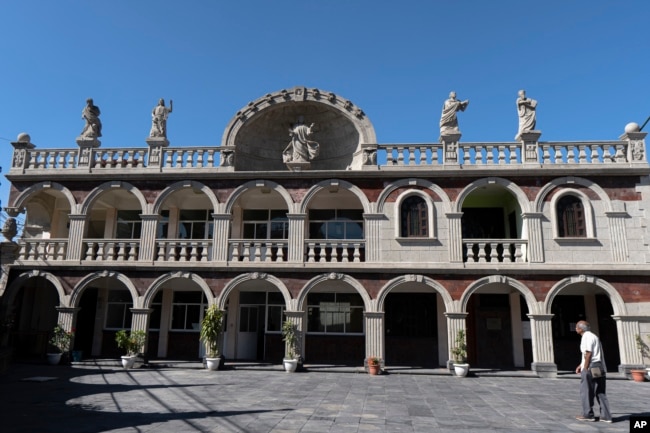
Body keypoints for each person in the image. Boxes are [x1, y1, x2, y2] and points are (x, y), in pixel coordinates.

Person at [574, 320, 612, 423]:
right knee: (600, 391)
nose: (575, 328)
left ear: (581, 329)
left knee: (586, 391)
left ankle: (588, 414)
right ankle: (606, 416)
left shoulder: (586, 337)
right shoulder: (594, 336)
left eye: (577, 327)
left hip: (591, 367)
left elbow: (589, 353)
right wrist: (580, 365)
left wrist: (585, 369)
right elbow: (591, 354)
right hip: (599, 366)